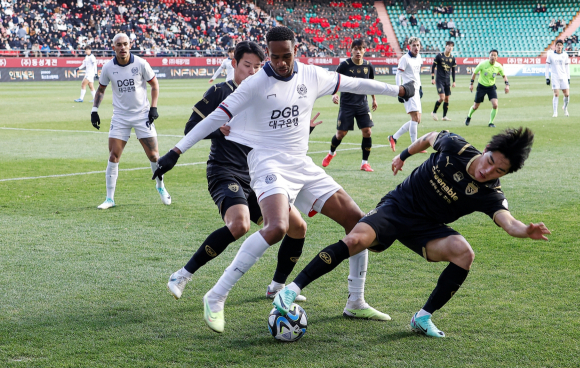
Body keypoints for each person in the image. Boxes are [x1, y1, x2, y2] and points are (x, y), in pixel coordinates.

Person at [153, 26, 415, 333]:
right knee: (277, 227)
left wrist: (396, 91)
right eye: (274, 57)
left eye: (286, 56)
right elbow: (215, 118)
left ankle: (355, 302)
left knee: (359, 224)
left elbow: (355, 83)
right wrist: (175, 151)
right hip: (267, 162)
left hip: (302, 164)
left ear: (296, 50)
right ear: (268, 53)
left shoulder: (312, 76)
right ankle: (216, 295)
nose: (280, 63)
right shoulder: (255, 84)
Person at [273, 128, 549, 338]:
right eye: (489, 160)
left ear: (506, 173)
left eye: (498, 170)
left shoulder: (491, 193)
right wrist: (403, 155)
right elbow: (429, 138)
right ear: (486, 149)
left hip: (427, 229)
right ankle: (291, 290)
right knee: (356, 240)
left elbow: (508, 222)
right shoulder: (456, 146)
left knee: (464, 254)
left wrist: (526, 230)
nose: (487, 170)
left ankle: (423, 317)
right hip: (397, 208)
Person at [167, 41, 317, 308]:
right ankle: (182, 275)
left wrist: (304, 129)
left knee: (298, 228)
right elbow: (192, 126)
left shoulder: (267, 92)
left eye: (258, 66)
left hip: (259, 175)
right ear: (234, 63)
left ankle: (276, 287)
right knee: (239, 225)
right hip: (225, 171)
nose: (252, 71)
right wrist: (218, 129)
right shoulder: (220, 91)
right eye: (247, 65)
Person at [91, 33, 171, 209]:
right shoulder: (108, 68)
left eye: (125, 44)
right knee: (113, 156)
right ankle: (109, 199)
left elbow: (155, 85)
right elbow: (101, 90)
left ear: (130, 45)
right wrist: (94, 110)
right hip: (120, 117)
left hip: (142, 115)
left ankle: (161, 186)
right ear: (113, 47)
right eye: (119, 44)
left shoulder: (141, 63)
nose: (122, 47)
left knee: (154, 156)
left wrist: (154, 108)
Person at [322, 39, 377, 172]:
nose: (358, 52)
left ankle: (365, 163)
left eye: (361, 49)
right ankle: (331, 153)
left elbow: (371, 84)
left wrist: (374, 99)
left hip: (362, 104)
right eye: (355, 49)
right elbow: (334, 80)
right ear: (351, 50)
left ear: (364, 50)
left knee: (367, 131)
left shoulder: (368, 66)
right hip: (347, 105)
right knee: (341, 134)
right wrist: (334, 94)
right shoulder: (344, 65)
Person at [388, 37, 423, 151]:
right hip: (408, 90)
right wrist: (399, 90)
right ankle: (415, 146)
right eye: (414, 45)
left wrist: (420, 87)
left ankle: (393, 138)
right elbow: (398, 74)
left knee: (417, 119)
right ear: (409, 46)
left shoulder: (419, 58)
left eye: (418, 45)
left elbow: (417, 74)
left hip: (416, 90)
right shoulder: (405, 58)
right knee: (415, 117)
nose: (416, 47)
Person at [465, 49, 509, 128]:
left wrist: (507, 85)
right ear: (489, 56)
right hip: (481, 87)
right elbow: (474, 73)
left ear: (497, 57)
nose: (493, 57)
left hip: (491, 87)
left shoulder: (498, 66)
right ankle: (469, 116)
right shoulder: (482, 64)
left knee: (495, 105)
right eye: (491, 55)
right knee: (475, 106)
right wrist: (471, 84)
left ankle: (491, 122)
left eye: (494, 55)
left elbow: (504, 75)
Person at [430, 41, 456, 122]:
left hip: (447, 81)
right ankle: (434, 112)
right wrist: (432, 78)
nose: (450, 48)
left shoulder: (452, 58)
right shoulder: (439, 56)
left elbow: (453, 70)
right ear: (445, 47)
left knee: (447, 99)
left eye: (451, 47)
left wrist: (454, 81)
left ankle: (444, 116)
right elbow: (433, 66)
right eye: (448, 46)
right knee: (442, 97)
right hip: (439, 80)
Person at [545, 40, 570, 117]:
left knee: (567, 94)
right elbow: (547, 67)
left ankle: (565, 108)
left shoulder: (565, 55)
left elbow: (567, 67)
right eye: (558, 45)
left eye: (560, 45)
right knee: (556, 94)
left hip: (564, 77)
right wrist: (547, 77)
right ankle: (555, 112)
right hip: (555, 77)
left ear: (562, 46)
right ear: (555, 46)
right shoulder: (551, 55)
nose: (559, 46)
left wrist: (568, 77)